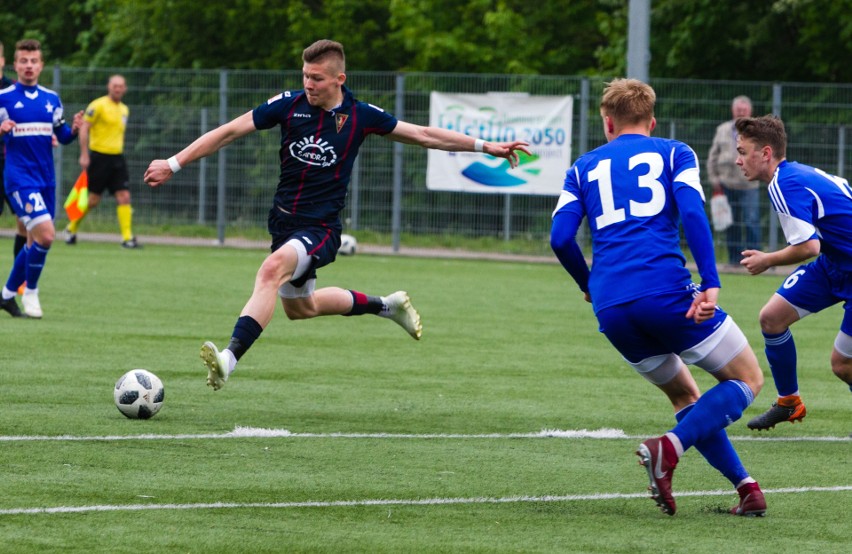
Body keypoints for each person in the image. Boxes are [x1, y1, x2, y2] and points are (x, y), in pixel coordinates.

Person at [144, 39, 531, 390]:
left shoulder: (362, 116)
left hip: (321, 228)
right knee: (301, 308)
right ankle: (386, 305)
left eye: (316, 78)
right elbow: (229, 131)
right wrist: (174, 163)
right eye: (305, 76)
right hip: (283, 223)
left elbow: (425, 135)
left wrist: (487, 147)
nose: (308, 84)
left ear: (338, 79)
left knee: (270, 270)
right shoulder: (288, 105)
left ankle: (228, 359)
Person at [550, 78, 766, 516]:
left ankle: (747, 489)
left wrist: (587, 285)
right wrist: (710, 280)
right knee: (748, 379)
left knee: (687, 397)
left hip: (612, 309)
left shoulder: (582, 166)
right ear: (652, 121)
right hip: (667, 292)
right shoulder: (674, 151)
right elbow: (691, 212)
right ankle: (669, 447)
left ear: (607, 123)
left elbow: (559, 239)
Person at [736, 115, 852, 430]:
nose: (738, 160)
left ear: (766, 153)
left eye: (743, 152)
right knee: (771, 318)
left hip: (840, 263)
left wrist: (767, 260)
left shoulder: (783, 183)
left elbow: (808, 246)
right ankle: (789, 402)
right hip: (835, 265)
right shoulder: (792, 175)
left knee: (842, 364)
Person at [0, 39, 83, 318]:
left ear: (41, 65)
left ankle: (7, 294)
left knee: (36, 240)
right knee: (46, 235)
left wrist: (76, 129)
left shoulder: (51, 99)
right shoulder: (5, 98)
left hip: (46, 178)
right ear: (15, 64)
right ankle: (30, 292)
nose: (29, 66)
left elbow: (62, 137)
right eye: (23, 61)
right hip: (19, 177)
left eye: (34, 61)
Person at [65, 74, 139, 248]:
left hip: (117, 158)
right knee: (92, 200)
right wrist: (84, 154)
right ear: (109, 87)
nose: (118, 89)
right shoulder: (97, 106)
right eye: (115, 85)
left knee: (124, 196)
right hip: (99, 157)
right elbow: (84, 129)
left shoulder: (124, 109)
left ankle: (127, 238)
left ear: (125, 89)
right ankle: (71, 228)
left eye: (121, 86)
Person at [707, 96, 762, 266]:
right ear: (733, 111)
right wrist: (714, 180)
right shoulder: (722, 129)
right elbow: (712, 157)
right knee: (731, 225)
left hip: (749, 184)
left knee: (751, 222)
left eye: (744, 111)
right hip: (726, 184)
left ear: (750, 112)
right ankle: (734, 261)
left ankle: (757, 260)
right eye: (738, 110)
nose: (741, 113)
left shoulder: (758, 130)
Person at [0, 40, 28, 263]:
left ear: (2, 61)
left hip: (14, 164)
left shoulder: (13, 91)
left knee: (26, 219)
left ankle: (18, 281)